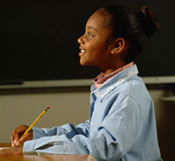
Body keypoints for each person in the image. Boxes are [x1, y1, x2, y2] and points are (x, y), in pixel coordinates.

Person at [0, 4, 162, 161]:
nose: (80, 39)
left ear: (117, 45)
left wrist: (32, 147)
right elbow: (91, 131)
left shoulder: (128, 95)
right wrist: (39, 135)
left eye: (90, 34)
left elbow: (102, 148)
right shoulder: (112, 86)